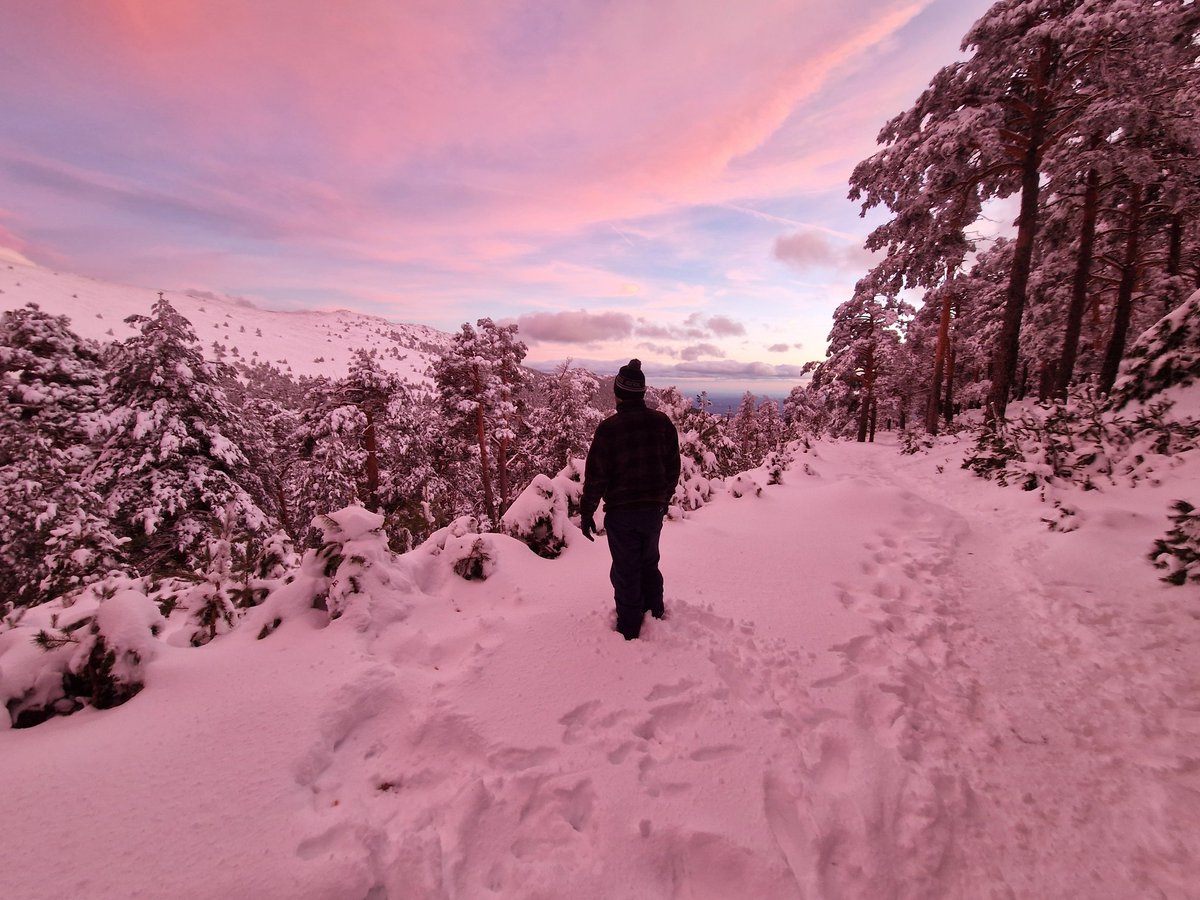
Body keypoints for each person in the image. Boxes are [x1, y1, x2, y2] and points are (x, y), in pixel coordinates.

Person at [580, 359, 681, 640]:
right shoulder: (662, 423)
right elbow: (673, 468)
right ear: (642, 392)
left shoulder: (609, 429)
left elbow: (596, 478)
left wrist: (587, 513)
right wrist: (662, 499)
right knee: (649, 562)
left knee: (626, 570)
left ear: (618, 393)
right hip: (651, 512)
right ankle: (655, 613)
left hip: (622, 515)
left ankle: (629, 629)